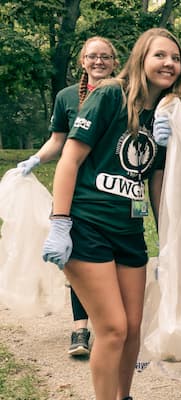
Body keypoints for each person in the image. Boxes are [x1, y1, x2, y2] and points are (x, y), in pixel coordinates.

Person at [41, 27, 181, 400]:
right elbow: (70, 159)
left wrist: (167, 239)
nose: (169, 62)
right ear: (141, 58)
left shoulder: (167, 114)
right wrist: (60, 223)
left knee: (134, 328)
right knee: (113, 329)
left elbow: (155, 181)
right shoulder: (109, 95)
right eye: (160, 55)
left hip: (129, 231)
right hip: (87, 225)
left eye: (175, 57)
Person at [17, 36, 120, 357]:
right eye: (92, 56)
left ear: (115, 62)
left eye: (105, 57)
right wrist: (35, 159)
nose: (99, 61)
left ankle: (111, 326)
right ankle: (80, 330)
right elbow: (58, 141)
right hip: (75, 190)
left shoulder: (124, 96)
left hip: (111, 190)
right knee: (82, 257)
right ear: (82, 61)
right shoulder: (66, 98)